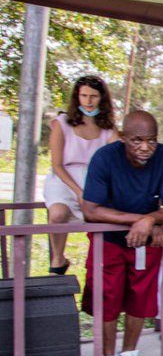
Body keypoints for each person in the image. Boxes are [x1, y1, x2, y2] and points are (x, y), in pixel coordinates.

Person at [80, 110, 163, 356]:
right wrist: (139, 220)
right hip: (110, 240)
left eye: (151, 140)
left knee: (141, 297)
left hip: (145, 241)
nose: (145, 147)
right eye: (137, 140)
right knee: (108, 298)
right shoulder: (105, 158)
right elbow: (90, 210)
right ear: (123, 137)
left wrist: (150, 220)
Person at [43, 75, 119, 274]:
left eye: (93, 96)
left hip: (95, 180)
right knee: (58, 214)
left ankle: (99, 267)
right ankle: (58, 260)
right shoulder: (62, 123)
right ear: (77, 97)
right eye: (84, 95)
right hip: (64, 180)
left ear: (101, 98)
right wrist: (78, 191)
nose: (88, 100)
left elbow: (118, 153)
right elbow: (57, 165)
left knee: (105, 219)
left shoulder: (108, 129)